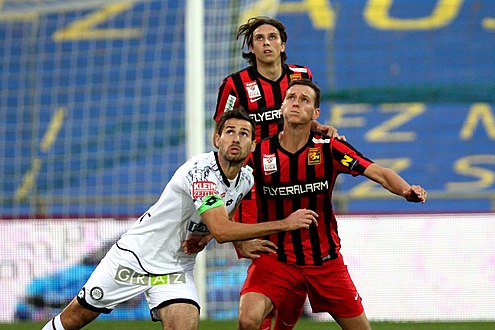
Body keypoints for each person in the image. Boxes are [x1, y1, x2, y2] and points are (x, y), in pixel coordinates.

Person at [41, 107, 318, 330]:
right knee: (74, 319)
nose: (236, 138)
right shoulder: (201, 172)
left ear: (253, 144)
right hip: (134, 259)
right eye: (230, 131)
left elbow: (223, 216)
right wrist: (285, 223)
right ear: (216, 139)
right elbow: (223, 229)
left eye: (244, 133)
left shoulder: (245, 179)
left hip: (174, 270)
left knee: (185, 322)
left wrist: (213, 237)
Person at [237, 79, 427, 330]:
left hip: (324, 262)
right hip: (276, 259)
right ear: (282, 106)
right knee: (247, 319)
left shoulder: (329, 148)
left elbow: (378, 172)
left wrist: (406, 190)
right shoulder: (258, 153)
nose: (296, 102)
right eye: (291, 97)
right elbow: (230, 196)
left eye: (304, 100)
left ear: (315, 113)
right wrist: (237, 239)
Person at [215, 16, 335, 329]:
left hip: (299, 179)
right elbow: (221, 133)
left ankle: (287, 311)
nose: (266, 43)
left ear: (282, 45)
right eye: (259, 39)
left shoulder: (301, 75)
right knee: (264, 254)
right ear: (251, 48)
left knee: (303, 251)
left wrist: (321, 127)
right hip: (258, 183)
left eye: (272, 38)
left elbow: (305, 114)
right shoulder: (236, 85)